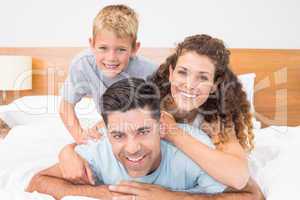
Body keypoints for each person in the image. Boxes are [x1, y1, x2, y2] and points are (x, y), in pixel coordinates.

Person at [59, 34, 254, 190]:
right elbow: (103, 135)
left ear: (214, 84)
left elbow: (238, 178)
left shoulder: (216, 120)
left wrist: (171, 133)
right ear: (171, 73)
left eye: (202, 77)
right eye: (183, 72)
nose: (189, 85)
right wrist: (66, 151)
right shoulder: (147, 104)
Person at [26, 78, 264, 200]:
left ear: (161, 125)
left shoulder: (193, 153)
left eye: (142, 131)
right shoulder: (98, 151)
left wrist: (170, 197)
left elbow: (254, 195)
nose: (132, 149)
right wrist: (103, 193)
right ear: (107, 132)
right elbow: (37, 182)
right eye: (118, 135)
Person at [60, 4, 156, 144]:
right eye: (103, 48)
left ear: (135, 48)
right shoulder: (82, 65)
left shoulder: (149, 72)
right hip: (110, 125)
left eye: (121, 49)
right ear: (92, 45)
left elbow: (162, 112)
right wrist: (80, 138)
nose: (111, 58)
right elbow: (65, 106)